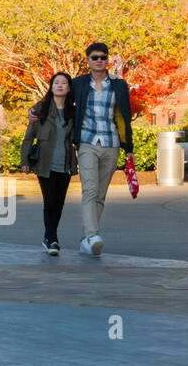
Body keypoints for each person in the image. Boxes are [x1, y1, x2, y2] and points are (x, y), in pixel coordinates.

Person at [70, 42, 133, 256]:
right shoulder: (78, 84)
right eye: (95, 57)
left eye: (103, 57)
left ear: (108, 61)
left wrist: (129, 147)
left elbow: (125, 115)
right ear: (87, 61)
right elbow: (57, 99)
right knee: (90, 189)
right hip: (87, 141)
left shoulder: (118, 85)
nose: (99, 61)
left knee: (101, 194)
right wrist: (36, 111)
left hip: (111, 143)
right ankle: (92, 235)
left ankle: (87, 239)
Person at [21, 72, 78, 255]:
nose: (60, 85)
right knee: (49, 201)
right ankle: (52, 239)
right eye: (56, 82)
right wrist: (25, 161)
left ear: (69, 88)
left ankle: (48, 237)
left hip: (65, 164)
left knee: (59, 203)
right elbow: (29, 137)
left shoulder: (73, 111)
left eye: (64, 83)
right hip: (45, 163)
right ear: (51, 87)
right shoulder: (41, 108)